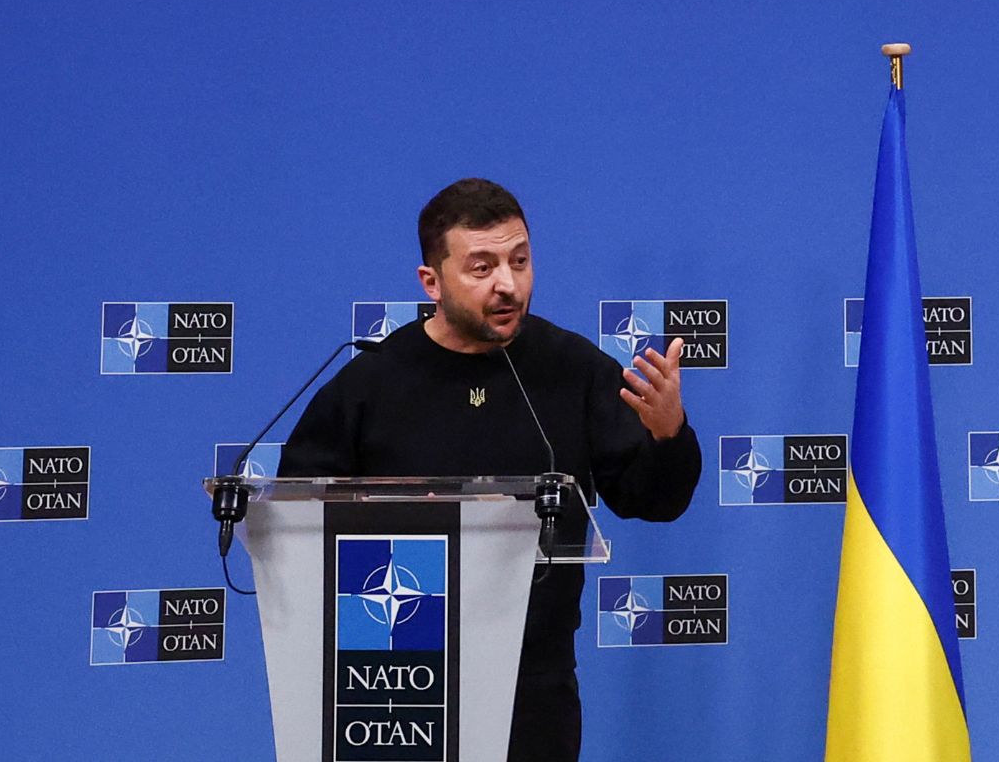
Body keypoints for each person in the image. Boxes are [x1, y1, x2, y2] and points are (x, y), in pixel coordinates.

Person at [281, 177, 702, 762]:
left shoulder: (572, 368)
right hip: (396, 683)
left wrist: (667, 432)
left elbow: (653, 499)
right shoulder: (370, 385)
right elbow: (296, 522)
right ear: (432, 282)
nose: (508, 284)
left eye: (520, 261)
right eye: (482, 268)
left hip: (534, 686)